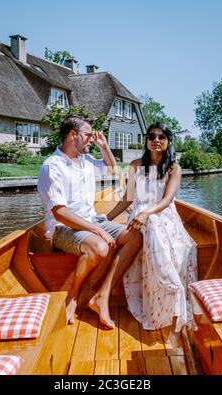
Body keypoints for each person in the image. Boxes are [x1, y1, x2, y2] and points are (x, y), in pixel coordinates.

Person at [37, 115, 143, 329]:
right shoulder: (52, 166)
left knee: (136, 236)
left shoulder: (86, 162)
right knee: (100, 247)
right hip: (63, 228)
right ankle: (73, 297)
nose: (91, 140)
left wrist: (104, 146)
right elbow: (60, 213)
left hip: (92, 220)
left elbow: (112, 168)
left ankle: (101, 296)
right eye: (87, 136)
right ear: (72, 135)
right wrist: (96, 229)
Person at [106, 122, 198, 333]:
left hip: (162, 215)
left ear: (168, 142)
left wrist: (148, 213)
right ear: (146, 141)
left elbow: (166, 201)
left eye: (161, 137)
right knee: (146, 227)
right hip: (138, 216)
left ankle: (169, 285)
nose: (156, 140)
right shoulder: (135, 165)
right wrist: (105, 218)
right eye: (152, 136)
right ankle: (167, 285)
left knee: (154, 225)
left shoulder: (174, 168)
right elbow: (127, 200)